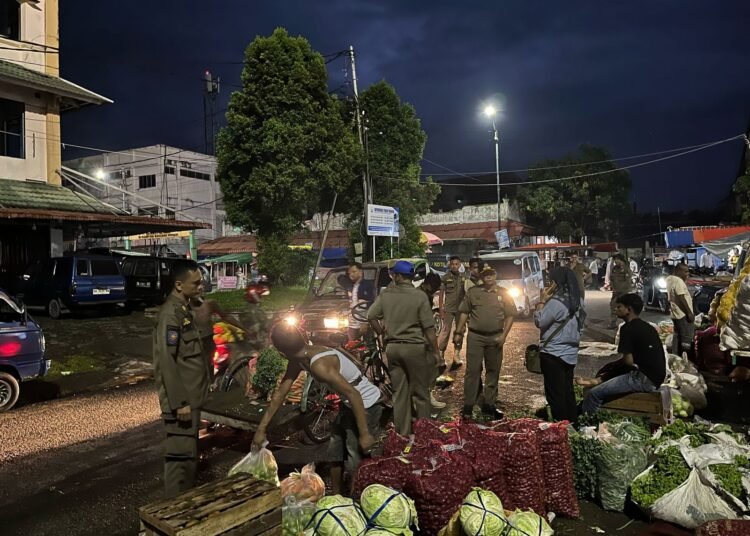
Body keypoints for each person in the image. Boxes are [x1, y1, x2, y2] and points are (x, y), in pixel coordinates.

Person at [252, 323, 379, 495]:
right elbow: (279, 395)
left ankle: (360, 499)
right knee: (335, 452)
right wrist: (261, 430)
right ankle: (336, 496)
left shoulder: (319, 365)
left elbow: (354, 394)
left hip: (366, 403)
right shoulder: (298, 360)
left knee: (354, 458)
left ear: (281, 351)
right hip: (348, 403)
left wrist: (364, 433)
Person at [153, 260, 211, 498]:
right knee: (180, 464)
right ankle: (171, 516)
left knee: (189, 460)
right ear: (179, 285)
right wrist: (180, 403)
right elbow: (167, 361)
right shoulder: (170, 316)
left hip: (191, 399)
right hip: (182, 403)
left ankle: (184, 511)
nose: (200, 286)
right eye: (195, 283)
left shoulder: (183, 309)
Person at [367, 260, 441, 436]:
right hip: (414, 348)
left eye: (393, 274)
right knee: (420, 393)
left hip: (393, 348)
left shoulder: (386, 296)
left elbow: (371, 316)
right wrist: (437, 353)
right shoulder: (419, 296)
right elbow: (429, 328)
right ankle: (424, 434)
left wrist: (381, 334)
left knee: (399, 393)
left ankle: (402, 433)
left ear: (398, 276)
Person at [579, 293, 666, 414]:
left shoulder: (627, 328)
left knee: (594, 394)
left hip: (643, 379)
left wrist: (604, 377)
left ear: (628, 309)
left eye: (619, 307)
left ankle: (587, 425)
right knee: (611, 370)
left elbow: (628, 362)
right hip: (656, 378)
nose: (616, 309)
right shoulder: (647, 326)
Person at [454, 267, 516, 419]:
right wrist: (458, 332)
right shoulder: (473, 292)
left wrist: (504, 336)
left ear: (495, 275)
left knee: (493, 371)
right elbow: (464, 312)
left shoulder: (504, 293)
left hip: (495, 337)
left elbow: (510, 316)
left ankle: (489, 405)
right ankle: (468, 406)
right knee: (472, 372)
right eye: (485, 275)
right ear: (481, 277)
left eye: (491, 274)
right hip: (475, 337)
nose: (488, 277)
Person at [534, 267, 584, 422]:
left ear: (557, 282)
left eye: (551, 280)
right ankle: (572, 424)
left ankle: (561, 429)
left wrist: (542, 301)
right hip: (570, 353)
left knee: (555, 395)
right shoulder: (578, 300)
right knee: (567, 392)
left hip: (553, 353)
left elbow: (540, 321)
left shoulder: (556, 302)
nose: (550, 283)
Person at [190, 293, 245, 382]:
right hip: (193, 344)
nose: (197, 291)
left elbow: (226, 316)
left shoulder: (210, 304)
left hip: (208, 342)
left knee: (209, 368)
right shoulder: (184, 307)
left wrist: (243, 328)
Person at [420, 271, 447, 409]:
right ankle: (426, 397)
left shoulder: (419, 293)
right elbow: (428, 326)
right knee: (434, 365)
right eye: (435, 288)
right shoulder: (423, 297)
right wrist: (436, 351)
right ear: (429, 285)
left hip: (411, 338)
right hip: (421, 338)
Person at [438, 256, 466, 370]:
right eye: (452, 264)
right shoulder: (445, 277)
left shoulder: (464, 278)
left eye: (456, 264)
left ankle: (456, 355)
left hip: (461, 309)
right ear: (449, 265)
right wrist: (441, 309)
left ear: (460, 265)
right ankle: (441, 356)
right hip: (449, 309)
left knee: (459, 332)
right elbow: (441, 294)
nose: (454, 266)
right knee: (445, 332)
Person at [341, 262, 375, 341]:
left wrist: (365, 322)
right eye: (350, 273)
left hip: (362, 322)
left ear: (361, 271)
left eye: (354, 272)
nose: (351, 275)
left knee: (365, 346)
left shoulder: (367, 285)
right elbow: (352, 304)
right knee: (352, 346)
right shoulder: (352, 287)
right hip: (352, 323)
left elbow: (369, 304)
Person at [667, 263, 695, 357]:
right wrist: (689, 313)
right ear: (677, 271)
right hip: (682, 315)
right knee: (686, 339)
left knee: (677, 336)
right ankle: (685, 359)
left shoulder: (669, 279)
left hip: (675, 314)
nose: (687, 274)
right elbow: (681, 296)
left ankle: (676, 357)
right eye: (685, 271)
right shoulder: (678, 281)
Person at [609, 255, 634, 329]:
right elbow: (611, 279)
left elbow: (627, 282)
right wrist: (613, 288)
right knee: (613, 306)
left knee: (625, 308)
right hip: (616, 292)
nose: (615, 262)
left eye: (616, 260)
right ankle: (612, 323)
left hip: (624, 292)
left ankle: (628, 322)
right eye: (614, 260)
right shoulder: (614, 269)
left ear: (620, 260)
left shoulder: (626, 269)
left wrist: (622, 291)